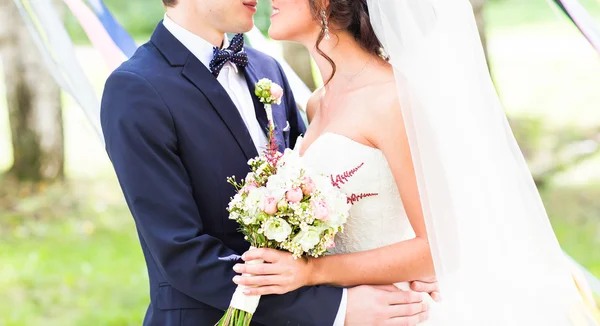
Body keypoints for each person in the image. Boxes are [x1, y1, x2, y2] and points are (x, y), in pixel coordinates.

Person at [232, 0, 599, 325]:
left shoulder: (390, 99)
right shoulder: (317, 102)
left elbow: (437, 246)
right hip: (349, 312)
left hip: (401, 311)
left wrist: (311, 273)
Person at [100, 0, 436, 325]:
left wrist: (413, 268)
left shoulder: (267, 70)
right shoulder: (136, 89)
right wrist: (337, 308)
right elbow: (182, 253)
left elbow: (319, 202)